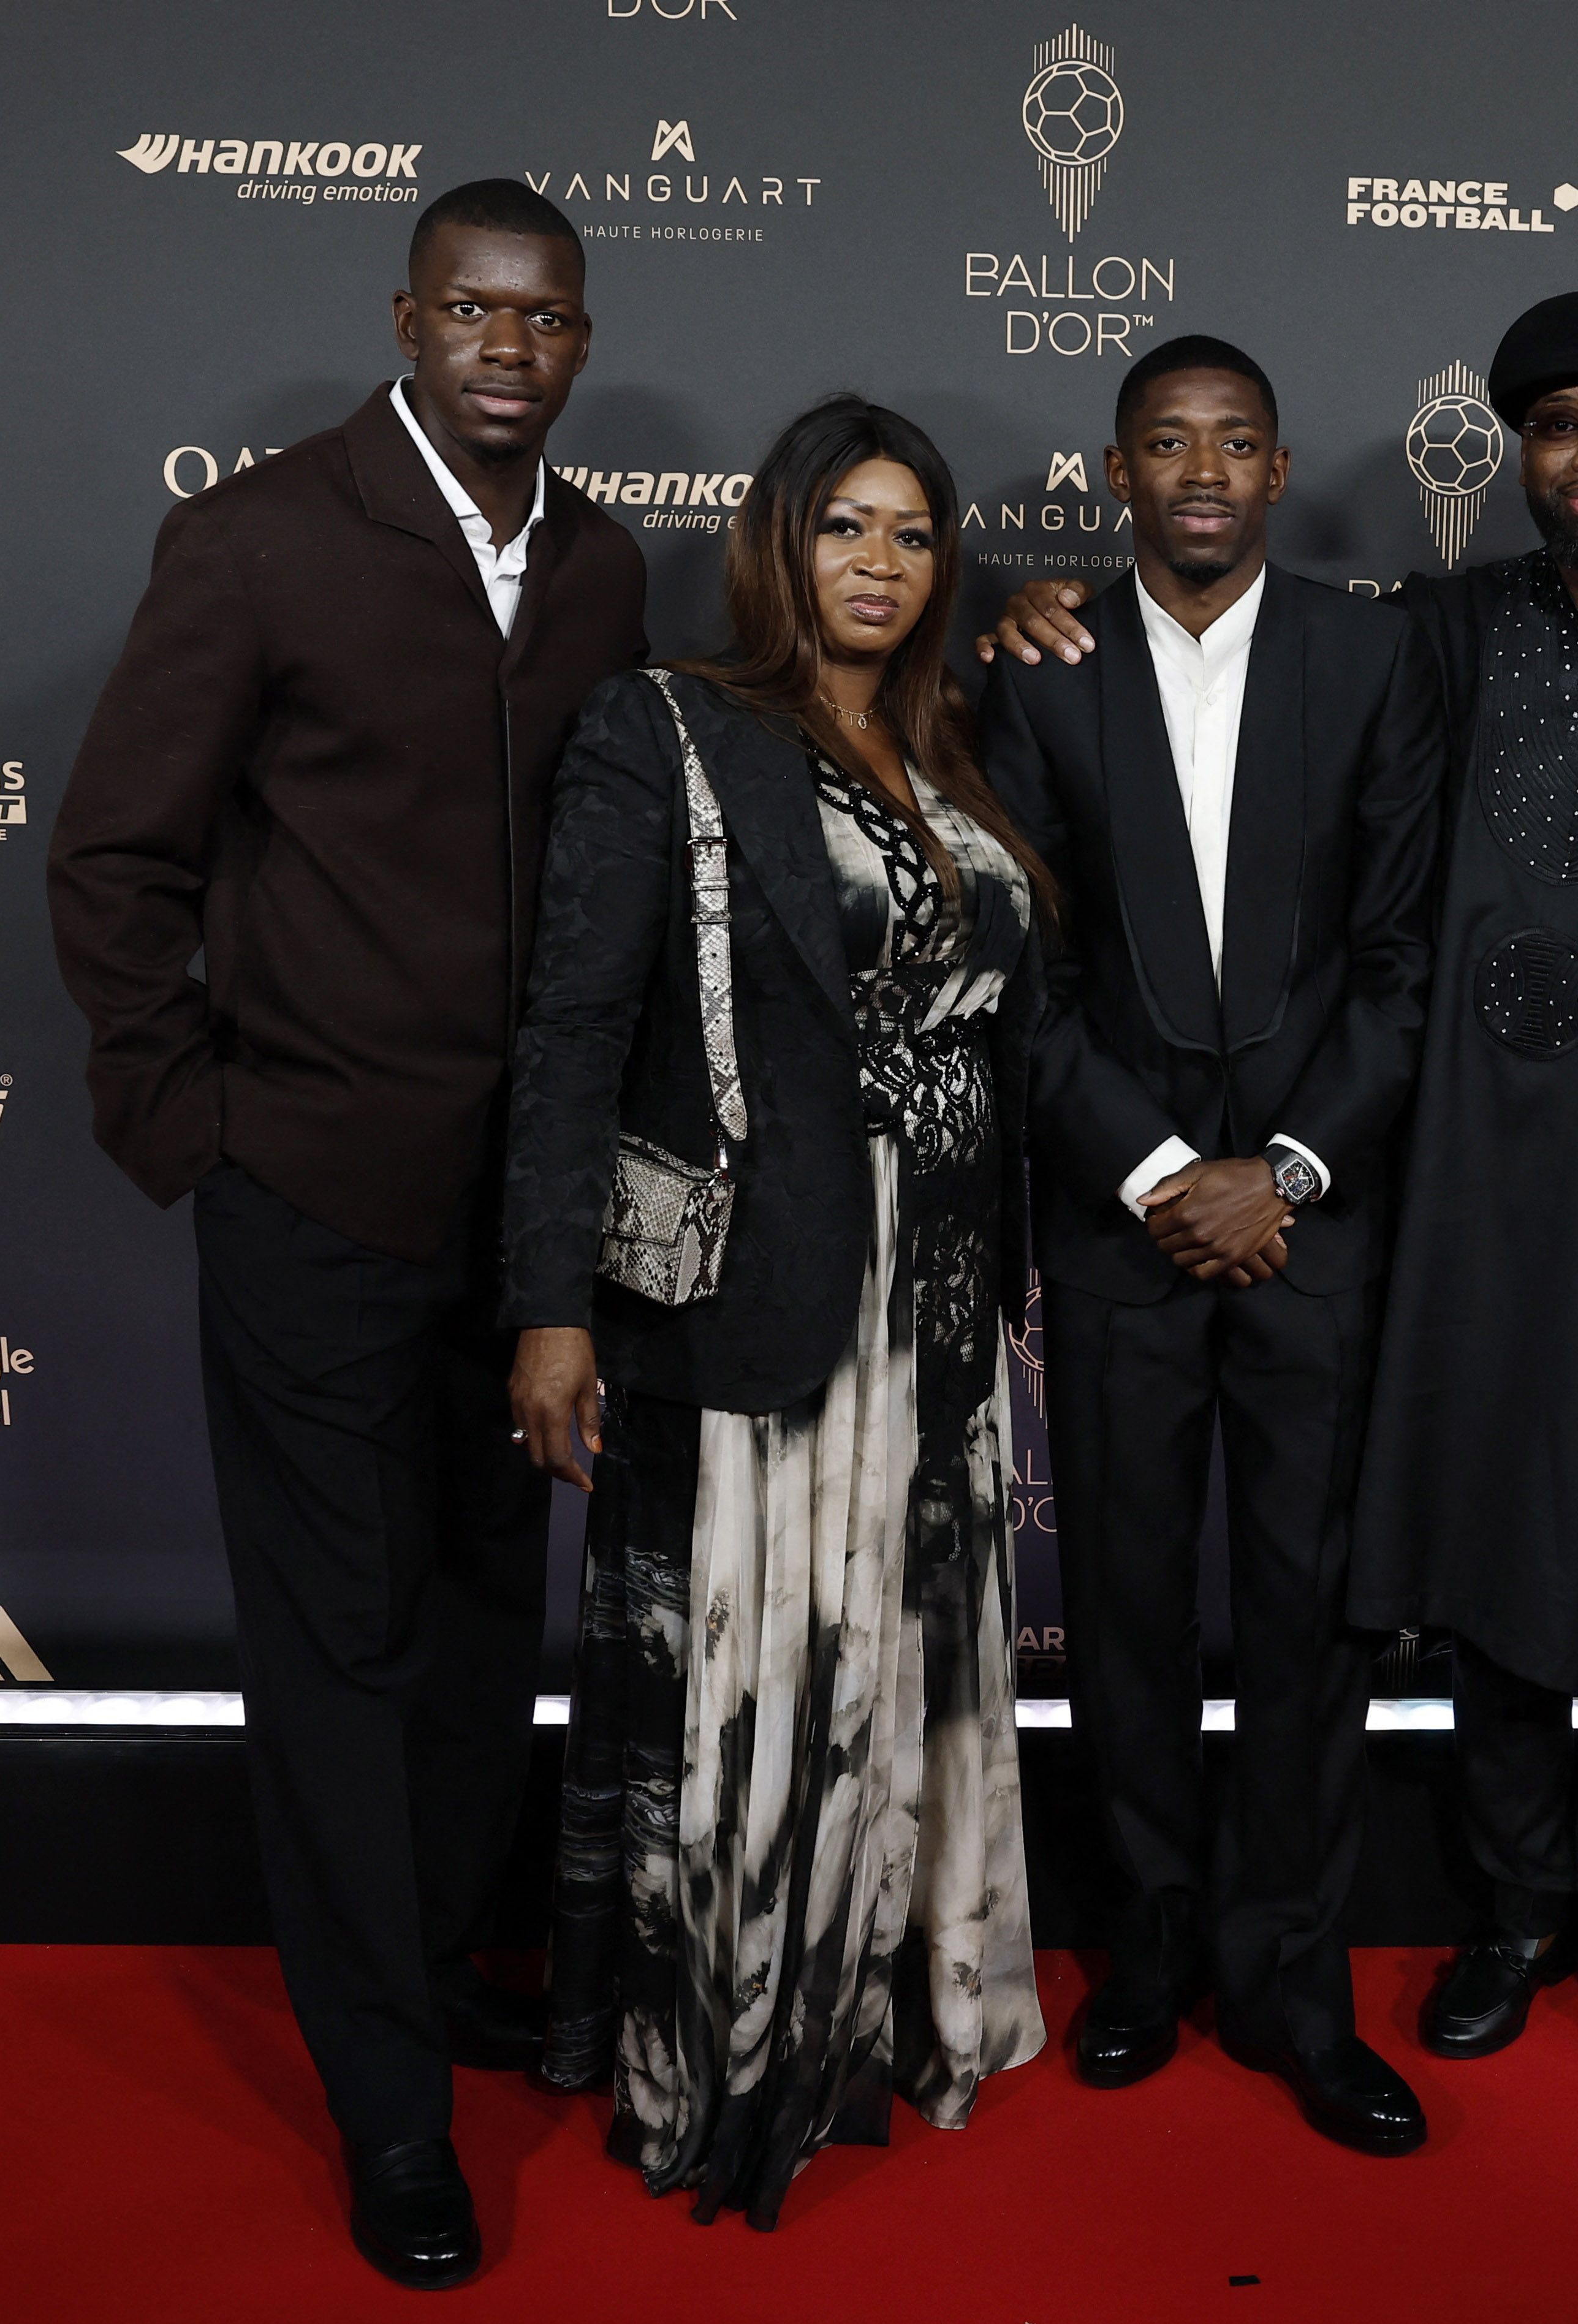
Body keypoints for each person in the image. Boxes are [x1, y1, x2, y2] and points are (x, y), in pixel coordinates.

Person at [986, 292, 1578, 2093]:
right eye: (1558, 423)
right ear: (1510, 450)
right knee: (1482, 1548)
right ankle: (1493, 1913)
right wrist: (1030, 614)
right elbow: (1175, 718)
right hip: (1467, 1215)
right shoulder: (1434, 639)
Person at [47, 180, 641, 2290]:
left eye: (547, 319)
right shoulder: (266, 535)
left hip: (528, 1221)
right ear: (407, 318)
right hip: (310, 1198)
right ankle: (391, 2109)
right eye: (475, 310)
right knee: (341, 1654)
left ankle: (443, 1965)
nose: (511, 345)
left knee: (488, 1625)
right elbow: (117, 856)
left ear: (579, 344)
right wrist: (199, 1121)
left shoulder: (594, 564)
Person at [506, 395, 1053, 2229]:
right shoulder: (668, 729)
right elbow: (576, 1026)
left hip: (950, 1288)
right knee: (765, 1666)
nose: (880, 565)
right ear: (777, 544)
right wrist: (549, 1308)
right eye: (846, 528)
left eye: (912, 534)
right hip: (761, 1290)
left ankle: (892, 1998)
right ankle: (737, 2047)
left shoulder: (956, 746)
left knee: (901, 1644)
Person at [978, 338, 1444, 2153]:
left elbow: (1405, 958)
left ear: (1278, 468)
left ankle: (1297, 1980)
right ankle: (1154, 1955)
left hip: (1315, 1234)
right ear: (1115, 473)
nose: (1200, 469)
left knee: (1315, 1628)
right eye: (1164, 442)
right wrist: (1170, 1167)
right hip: (1120, 1232)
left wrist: (1292, 1171)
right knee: (1136, 1626)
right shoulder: (1037, 667)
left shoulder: (1377, 653)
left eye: (1233, 442)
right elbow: (1019, 970)